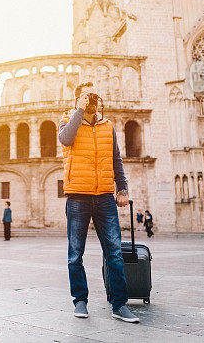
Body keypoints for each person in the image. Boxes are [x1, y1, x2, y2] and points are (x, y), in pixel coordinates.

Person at [58, 81, 139, 323]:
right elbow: (66, 140)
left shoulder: (108, 125)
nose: (90, 99)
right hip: (77, 196)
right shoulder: (67, 121)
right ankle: (80, 300)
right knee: (75, 253)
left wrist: (122, 189)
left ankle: (119, 304)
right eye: (84, 96)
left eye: (93, 95)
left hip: (104, 196)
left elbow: (116, 159)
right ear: (76, 100)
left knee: (114, 252)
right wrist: (79, 112)